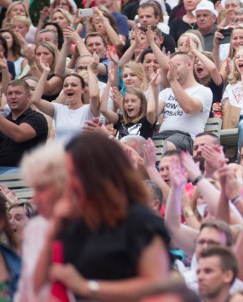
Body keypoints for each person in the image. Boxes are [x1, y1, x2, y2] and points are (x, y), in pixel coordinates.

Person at [34, 134, 170, 300]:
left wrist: (89, 287)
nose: (68, 182)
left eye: (74, 173)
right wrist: (53, 230)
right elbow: (39, 285)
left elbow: (157, 285)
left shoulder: (140, 220)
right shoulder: (73, 221)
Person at [15, 142, 66, 301]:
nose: (34, 199)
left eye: (42, 188)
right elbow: (24, 290)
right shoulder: (34, 228)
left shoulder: (92, 227)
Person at [153, 52, 213, 152]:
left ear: (189, 65)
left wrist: (172, 81)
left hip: (186, 137)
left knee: (167, 146)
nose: (172, 70)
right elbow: (152, 114)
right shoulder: (166, 92)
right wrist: (153, 88)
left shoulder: (203, 91)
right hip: (163, 135)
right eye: (170, 67)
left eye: (176, 65)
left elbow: (189, 108)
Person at [32, 58, 100, 145]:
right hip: (60, 156)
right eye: (66, 85)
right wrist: (45, 72)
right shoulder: (58, 109)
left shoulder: (89, 110)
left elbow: (94, 96)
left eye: (74, 85)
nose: (69, 88)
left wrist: (90, 71)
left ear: (83, 90)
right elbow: (35, 100)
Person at [0, 80, 48, 170]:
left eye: (17, 93)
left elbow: (19, 135)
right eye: (9, 94)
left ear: (28, 97)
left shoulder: (37, 118)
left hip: (26, 174)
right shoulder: (5, 120)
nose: (13, 97)